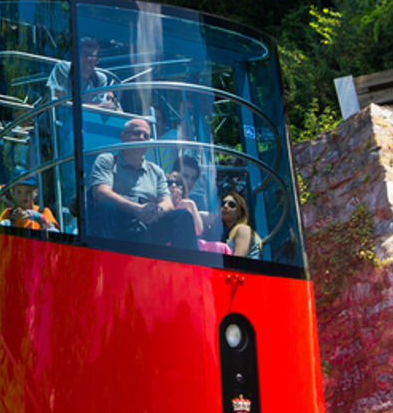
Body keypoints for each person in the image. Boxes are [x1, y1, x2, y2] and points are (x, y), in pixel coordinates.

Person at [87, 118, 197, 248]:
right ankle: (104, 261)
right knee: (105, 207)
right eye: (136, 133)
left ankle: (186, 267)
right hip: (118, 221)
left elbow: (167, 202)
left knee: (182, 216)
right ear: (123, 136)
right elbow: (101, 193)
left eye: (146, 136)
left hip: (146, 225)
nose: (141, 138)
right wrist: (136, 209)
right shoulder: (107, 161)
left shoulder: (156, 171)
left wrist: (158, 211)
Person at [48, 37, 118, 109]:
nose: (88, 58)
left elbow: (101, 106)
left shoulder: (100, 78)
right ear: (76, 56)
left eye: (92, 55)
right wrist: (97, 107)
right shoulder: (63, 68)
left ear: (97, 60)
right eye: (85, 54)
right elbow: (58, 102)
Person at [220, 191, 262, 259]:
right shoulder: (227, 235)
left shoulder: (243, 229)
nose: (225, 206)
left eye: (231, 204)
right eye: (223, 203)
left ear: (239, 212)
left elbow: (238, 261)